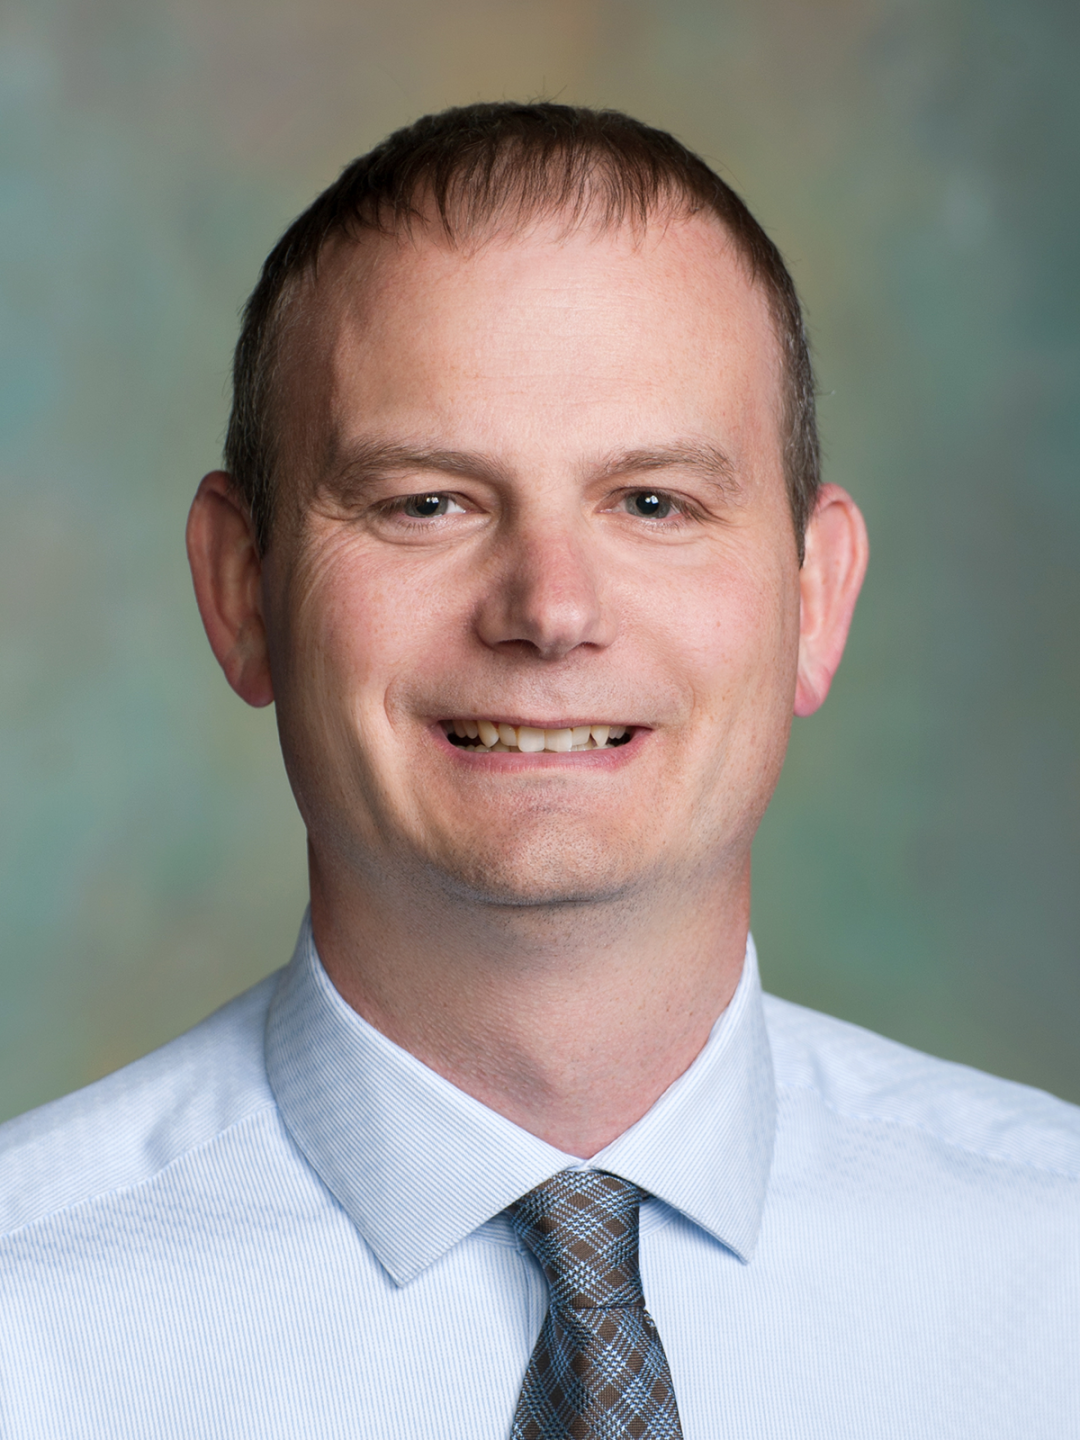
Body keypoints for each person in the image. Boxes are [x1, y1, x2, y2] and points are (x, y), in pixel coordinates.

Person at [1, 103, 1077, 1439]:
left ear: (818, 595)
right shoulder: (23, 1322)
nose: (551, 609)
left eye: (653, 503)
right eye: (428, 502)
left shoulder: (1056, 1281)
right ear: (242, 590)